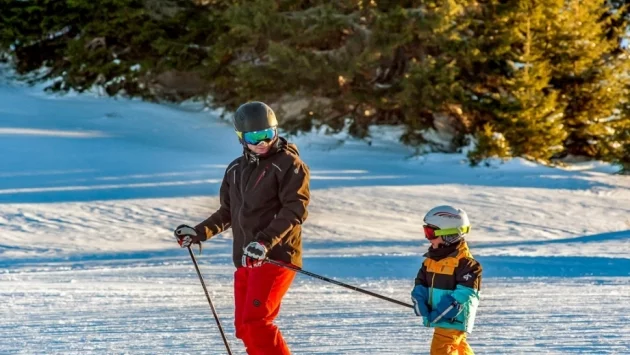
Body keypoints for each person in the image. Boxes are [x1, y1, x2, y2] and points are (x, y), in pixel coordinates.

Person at [173, 101, 310, 355]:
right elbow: (228, 213)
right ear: (241, 137)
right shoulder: (236, 169)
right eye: (254, 137)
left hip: (275, 257)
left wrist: (264, 242)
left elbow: (295, 209)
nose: (262, 142)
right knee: (244, 327)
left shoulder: (289, 164)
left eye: (267, 134)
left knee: (256, 323)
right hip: (247, 259)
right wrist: (199, 232)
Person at [411, 205, 482, 355]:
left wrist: (443, 311)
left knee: (441, 350)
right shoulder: (430, 260)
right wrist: (419, 300)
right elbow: (420, 283)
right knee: (458, 347)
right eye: (426, 231)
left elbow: (465, 294)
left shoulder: (467, 264)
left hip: (454, 319)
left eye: (430, 233)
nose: (427, 238)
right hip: (440, 316)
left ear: (449, 235)